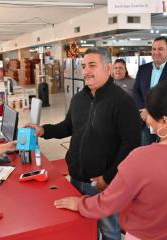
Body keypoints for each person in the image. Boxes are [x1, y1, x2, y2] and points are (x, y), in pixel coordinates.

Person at [55, 81, 167, 240]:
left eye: (148, 112)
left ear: (164, 121)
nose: (145, 117)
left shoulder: (142, 159)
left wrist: (81, 203)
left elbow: (108, 203)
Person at [27, 47, 141, 240]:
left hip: (101, 182)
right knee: (83, 228)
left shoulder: (122, 101)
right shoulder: (79, 98)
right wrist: (43, 130)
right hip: (76, 176)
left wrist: (108, 177)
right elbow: (68, 126)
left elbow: (131, 145)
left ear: (108, 68)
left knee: (109, 230)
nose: (86, 70)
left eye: (92, 65)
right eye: (84, 66)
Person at [133, 36, 167, 146]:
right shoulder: (143, 69)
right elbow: (136, 90)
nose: (156, 52)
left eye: (160, 49)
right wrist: (144, 110)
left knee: (165, 155)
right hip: (145, 121)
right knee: (146, 153)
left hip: (166, 122)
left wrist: (152, 112)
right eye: (154, 49)